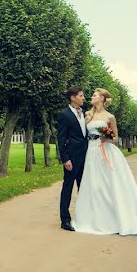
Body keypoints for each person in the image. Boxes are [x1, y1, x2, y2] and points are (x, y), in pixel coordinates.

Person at [72, 88, 137, 236]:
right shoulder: (88, 115)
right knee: (92, 185)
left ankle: (113, 219)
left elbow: (116, 137)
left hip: (105, 151)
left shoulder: (110, 117)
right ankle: (91, 219)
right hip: (91, 152)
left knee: (107, 185)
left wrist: (107, 137)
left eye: (95, 95)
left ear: (103, 99)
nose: (91, 97)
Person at [56, 87, 87, 231]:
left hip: (86, 157)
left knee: (84, 188)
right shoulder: (64, 115)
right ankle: (65, 220)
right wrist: (65, 159)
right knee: (68, 187)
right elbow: (60, 139)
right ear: (73, 98)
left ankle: (84, 217)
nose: (83, 98)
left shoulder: (86, 113)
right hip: (71, 158)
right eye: (81, 96)